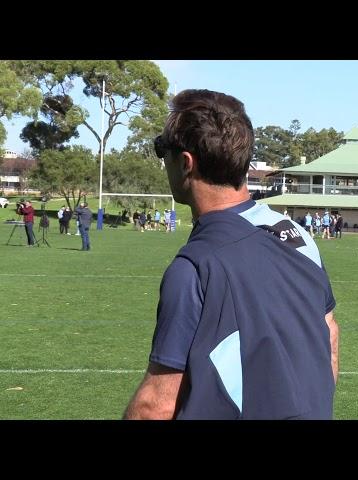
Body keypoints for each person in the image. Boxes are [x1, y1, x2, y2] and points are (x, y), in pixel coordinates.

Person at [123, 89, 339, 420]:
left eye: (162, 150)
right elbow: (330, 336)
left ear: (185, 163)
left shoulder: (194, 268)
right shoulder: (298, 237)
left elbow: (155, 407)